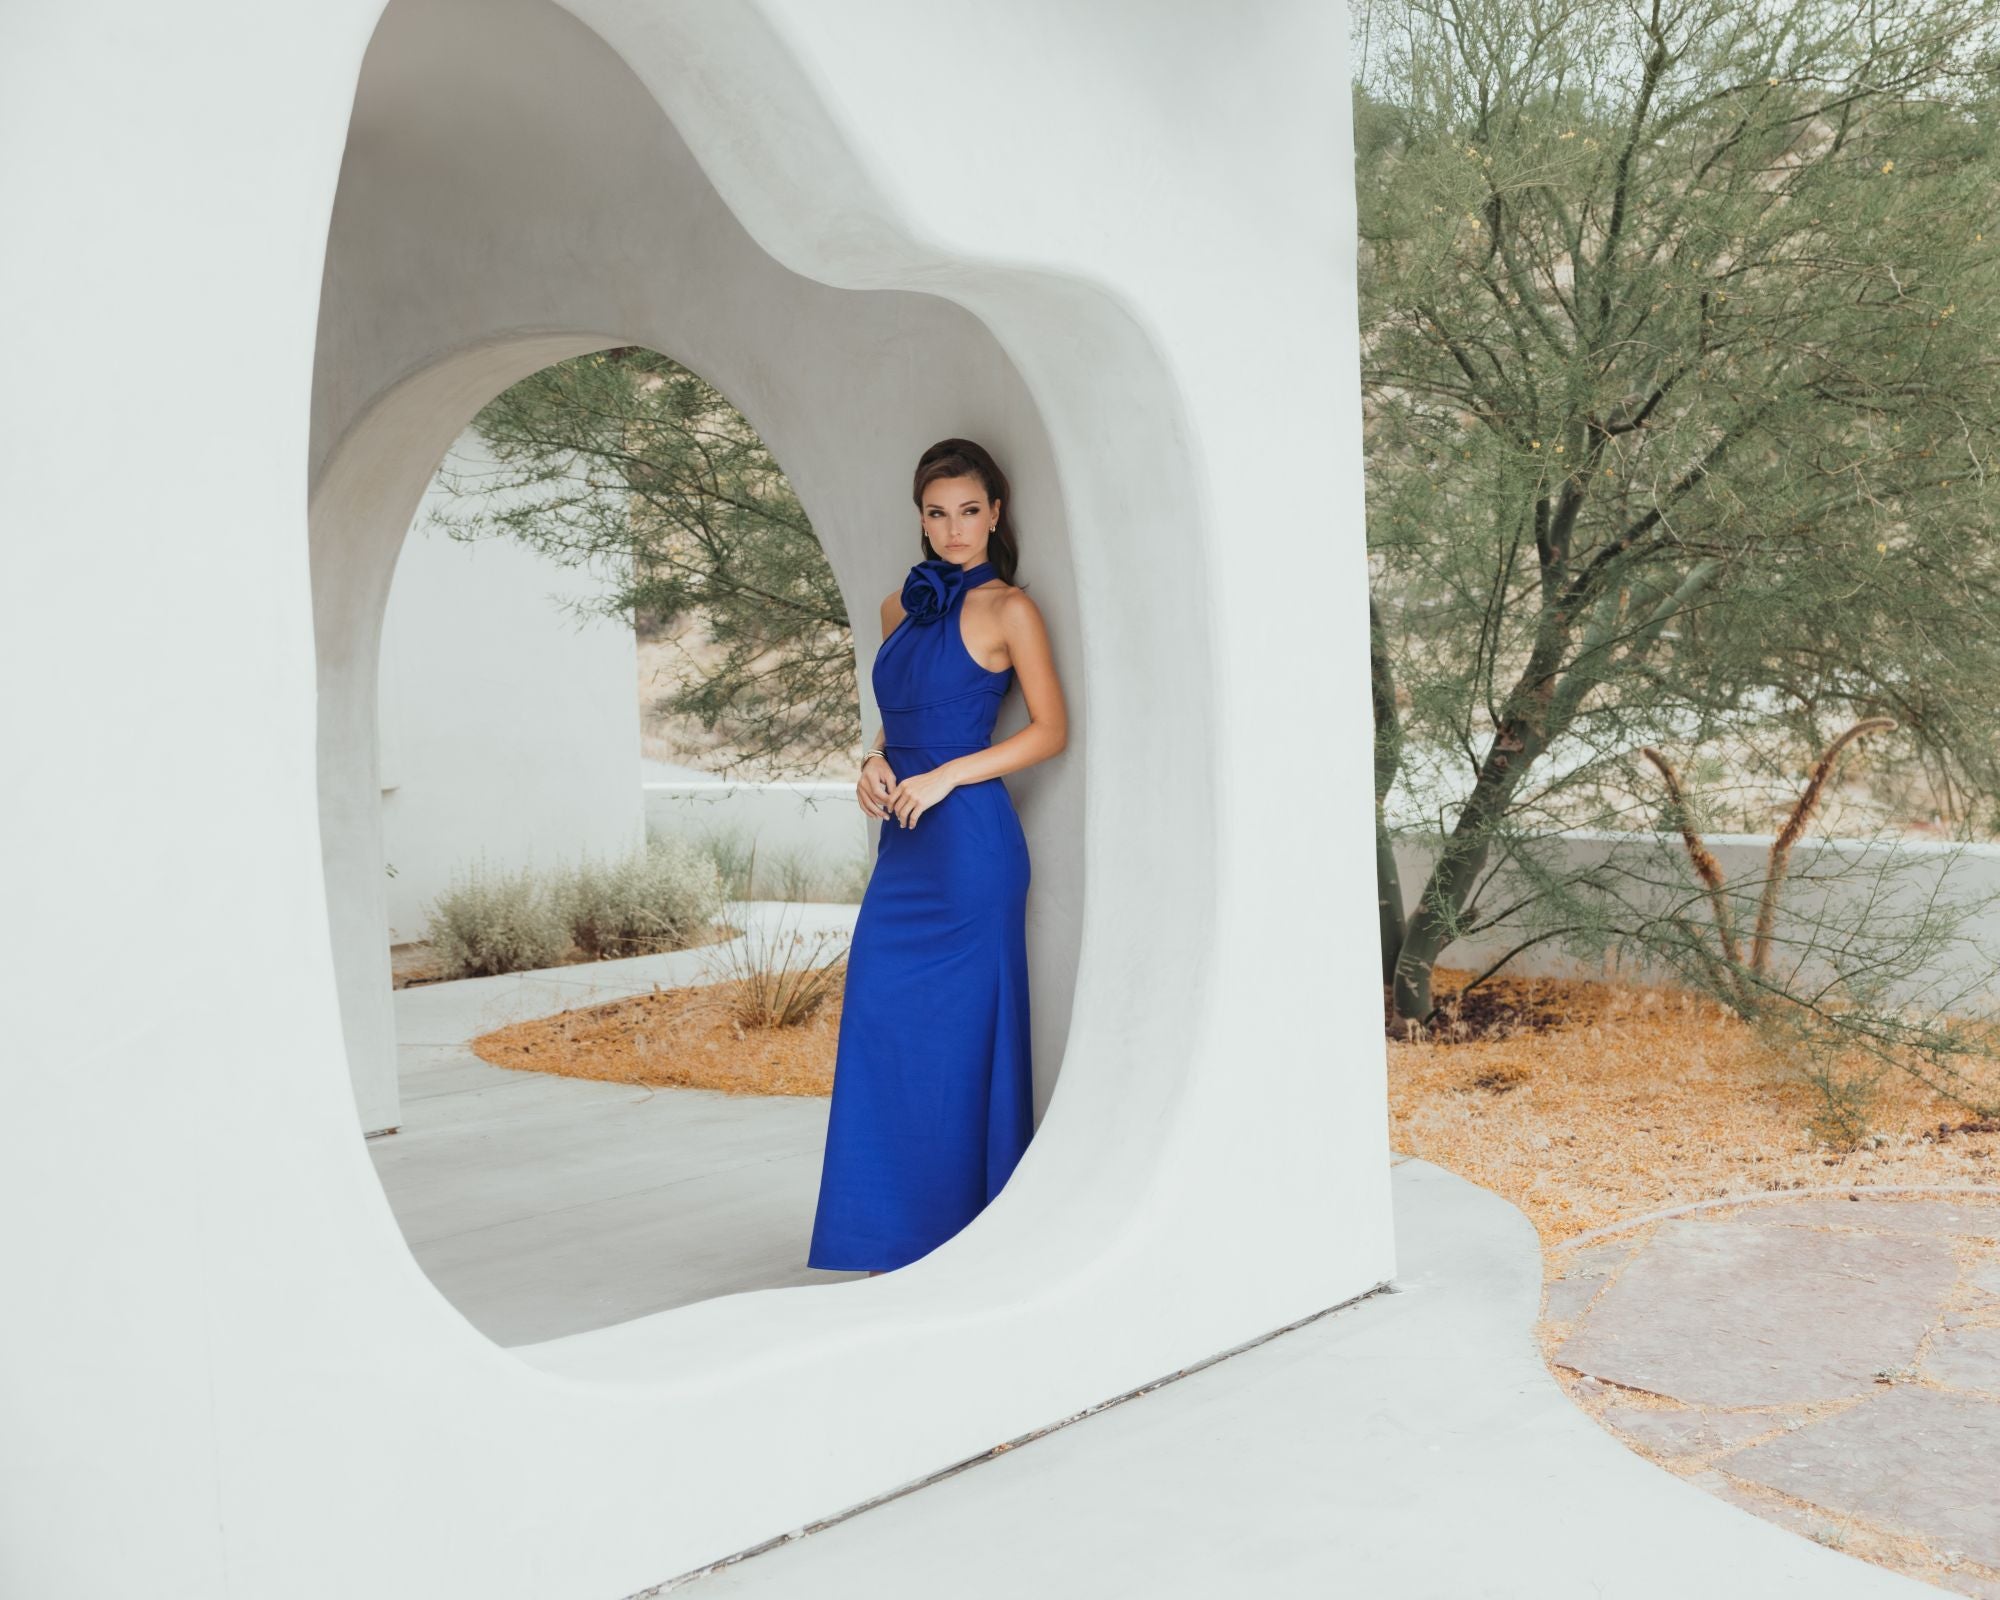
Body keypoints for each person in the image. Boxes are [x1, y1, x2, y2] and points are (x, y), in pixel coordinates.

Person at [806, 438, 1069, 1277]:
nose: (954, 529)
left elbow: (1050, 731)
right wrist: (872, 761)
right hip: (906, 848)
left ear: (995, 515)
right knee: (884, 1028)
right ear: (920, 519)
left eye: (969, 511)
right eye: (937, 513)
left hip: (970, 854)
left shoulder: (1010, 610)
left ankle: (967, 1237)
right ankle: (890, 1237)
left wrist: (950, 773)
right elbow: (899, 719)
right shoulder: (899, 607)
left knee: (960, 1043)